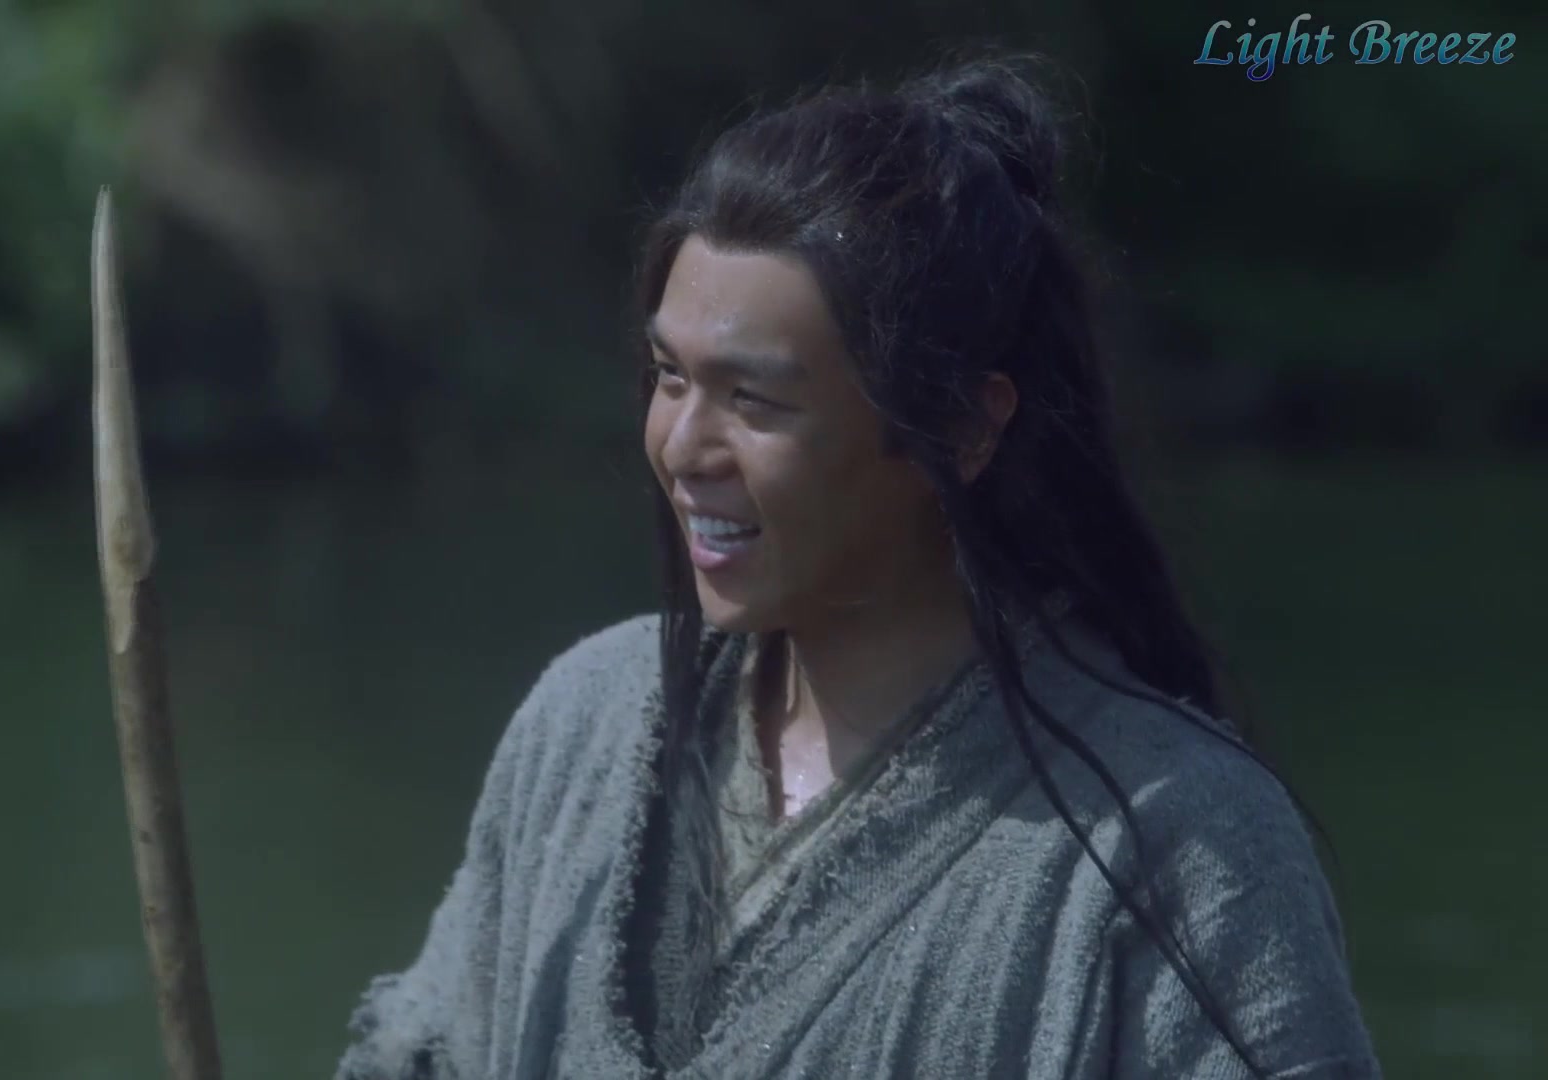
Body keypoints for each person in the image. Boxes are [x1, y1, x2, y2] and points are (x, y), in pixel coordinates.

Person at [334, 57, 1381, 1079]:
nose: (682, 449)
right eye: (668, 376)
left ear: (963, 425)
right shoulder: (582, 730)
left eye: (754, 400)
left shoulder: (1180, 846)